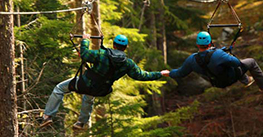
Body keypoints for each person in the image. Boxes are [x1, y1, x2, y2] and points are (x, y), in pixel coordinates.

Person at [40, 34, 170, 130]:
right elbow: (142, 76)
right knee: (89, 97)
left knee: (59, 89)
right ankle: (81, 122)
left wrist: (85, 40)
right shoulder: (128, 63)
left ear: (114, 45)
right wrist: (159, 74)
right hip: (101, 89)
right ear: (125, 48)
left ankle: (47, 116)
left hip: (84, 83)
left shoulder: (102, 54)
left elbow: (85, 55)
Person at [162, 31, 263, 90]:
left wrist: (169, 73)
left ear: (197, 44)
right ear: (210, 43)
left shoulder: (192, 59)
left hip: (217, 83)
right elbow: (237, 63)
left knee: (226, 64)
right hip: (231, 77)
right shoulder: (219, 54)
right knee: (249, 62)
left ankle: (246, 80)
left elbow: (180, 73)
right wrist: (225, 54)